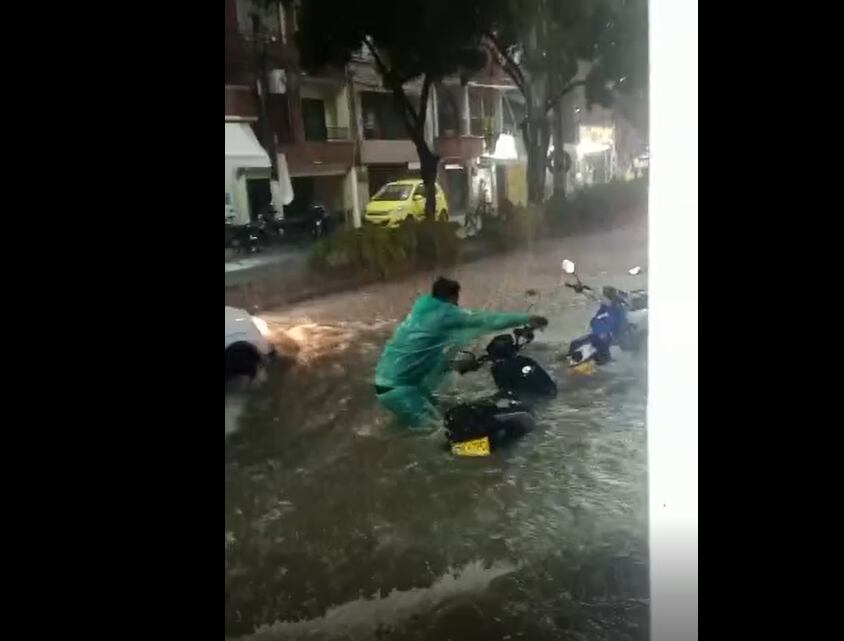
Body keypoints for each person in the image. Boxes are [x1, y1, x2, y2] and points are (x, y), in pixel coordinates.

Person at [374, 277, 548, 430]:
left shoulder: (421, 312)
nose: (457, 305)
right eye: (456, 300)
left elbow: (421, 355)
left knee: (440, 411)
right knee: (440, 433)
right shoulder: (445, 314)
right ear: (451, 298)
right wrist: (527, 319)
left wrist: (455, 365)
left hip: (395, 384)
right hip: (400, 390)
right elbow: (487, 319)